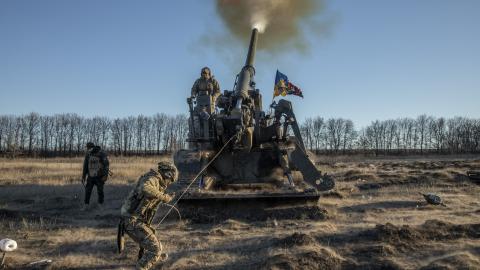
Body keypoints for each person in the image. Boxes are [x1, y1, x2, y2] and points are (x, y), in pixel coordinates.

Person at [119, 161, 178, 270]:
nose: (169, 183)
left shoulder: (156, 180)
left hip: (137, 220)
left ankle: (151, 259)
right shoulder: (152, 179)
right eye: (170, 180)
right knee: (155, 249)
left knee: (157, 245)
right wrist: (164, 197)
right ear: (168, 175)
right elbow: (145, 188)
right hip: (132, 221)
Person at [82, 142, 109, 208]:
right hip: (90, 176)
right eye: (87, 148)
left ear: (93, 147)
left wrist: (105, 176)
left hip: (100, 176)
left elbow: (106, 165)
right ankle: (86, 205)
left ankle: (100, 205)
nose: (88, 149)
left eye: (89, 148)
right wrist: (83, 176)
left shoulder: (101, 153)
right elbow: (85, 166)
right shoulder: (88, 154)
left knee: (100, 191)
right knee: (88, 191)